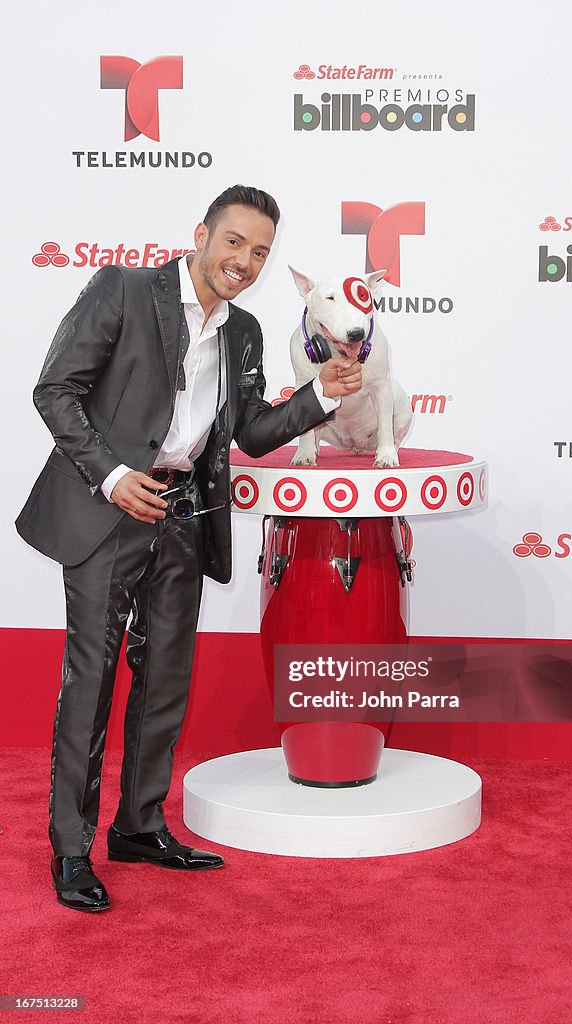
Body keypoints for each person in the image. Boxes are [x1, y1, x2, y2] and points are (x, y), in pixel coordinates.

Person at [16, 184, 361, 912]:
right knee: (92, 680)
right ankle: (71, 850)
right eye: (234, 241)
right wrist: (112, 477)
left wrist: (324, 395)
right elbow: (55, 391)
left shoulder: (241, 333)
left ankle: (139, 826)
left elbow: (252, 433)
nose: (244, 261)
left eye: (260, 252)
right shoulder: (123, 289)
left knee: (166, 677)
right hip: (109, 507)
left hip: (183, 513)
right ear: (201, 233)